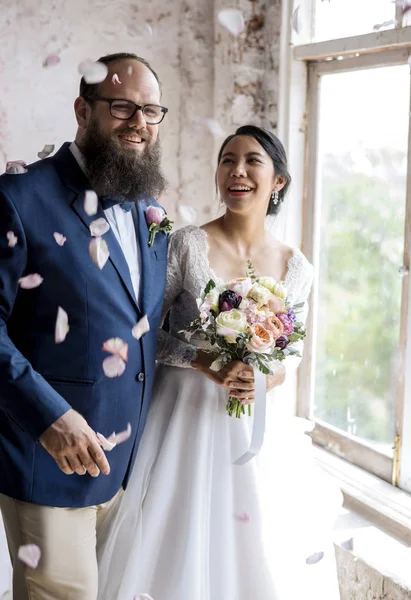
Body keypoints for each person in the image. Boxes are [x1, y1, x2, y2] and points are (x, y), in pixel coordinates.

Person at [98, 125, 342, 599]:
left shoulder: (298, 268)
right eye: (227, 159)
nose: (237, 171)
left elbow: (287, 358)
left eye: (253, 161)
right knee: (171, 543)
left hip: (253, 432)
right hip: (179, 420)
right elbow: (146, 331)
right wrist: (205, 359)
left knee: (252, 554)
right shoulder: (186, 245)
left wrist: (260, 378)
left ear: (278, 182)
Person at [0, 52, 169, 600]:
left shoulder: (150, 211)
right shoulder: (18, 200)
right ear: (82, 110)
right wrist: (51, 419)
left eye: (150, 110)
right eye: (122, 108)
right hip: (46, 462)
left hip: (128, 467)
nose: (138, 123)